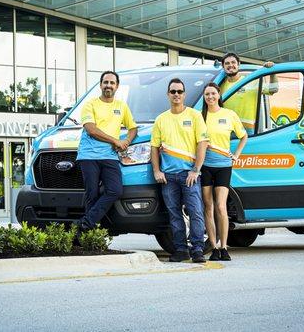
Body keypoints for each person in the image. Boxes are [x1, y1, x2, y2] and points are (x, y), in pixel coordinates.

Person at [151, 78, 209, 263]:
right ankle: (181, 250)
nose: (176, 94)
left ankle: (198, 249)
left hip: (189, 175)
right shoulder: (161, 119)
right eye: (173, 91)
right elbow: (154, 147)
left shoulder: (194, 116)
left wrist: (196, 170)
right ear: (168, 94)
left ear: (184, 94)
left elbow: (202, 143)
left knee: (195, 213)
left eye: (180, 91)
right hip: (168, 177)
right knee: (174, 215)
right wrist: (157, 171)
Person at [77, 71, 138, 232]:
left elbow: (133, 128)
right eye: (105, 82)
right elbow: (91, 129)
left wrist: (126, 141)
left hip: (109, 156)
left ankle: (86, 223)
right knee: (92, 194)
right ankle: (88, 236)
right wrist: (115, 141)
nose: (108, 85)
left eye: (112, 83)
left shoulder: (121, 106)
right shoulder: (90, 104)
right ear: (100, 85)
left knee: (115, 190)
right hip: (89, 156)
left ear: (117, 86)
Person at [200, 83, 248, 261]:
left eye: (213, 93)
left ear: (219, 95)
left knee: (221, 206)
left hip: (224, 166)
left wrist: (236, 154)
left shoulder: (229, 114)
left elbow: (244, 136)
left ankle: (224, 247)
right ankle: (213, 247)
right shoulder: (200, 116)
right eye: (207, 94)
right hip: (205, 166)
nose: (210, 97)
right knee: (208, 206)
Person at [220, 52, 276, 135]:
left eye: (233, 62)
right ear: (223, 66)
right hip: (226, 128)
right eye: (227, 63)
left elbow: (273, 89)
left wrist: (272, 72)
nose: (230, 65)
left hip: (246, 129)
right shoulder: (220, 85)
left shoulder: (250, 81)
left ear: (238, 64)